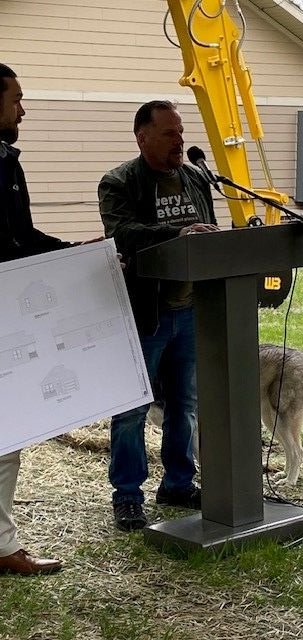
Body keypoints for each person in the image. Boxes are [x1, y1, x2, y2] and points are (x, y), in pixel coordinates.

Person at [0, 63, 103, 575]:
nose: (23, 110)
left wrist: (76, 252)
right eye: (16, 99)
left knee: (7, 436)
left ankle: (2, 543)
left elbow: (22, 236)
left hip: (8, 313)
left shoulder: (8, 163)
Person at [98, 100, 218, 532]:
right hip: (145, 313)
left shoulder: (196, 178)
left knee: (185, 404)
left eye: (181, 133)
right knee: (132, 408)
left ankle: (178, 484)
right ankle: (128, 495)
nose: (179, 142)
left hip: (190, 311)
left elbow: (208, 233)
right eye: (169, 134)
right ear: (142, 137)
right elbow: (123, 234)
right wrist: (178, 232)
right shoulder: (119, 182)